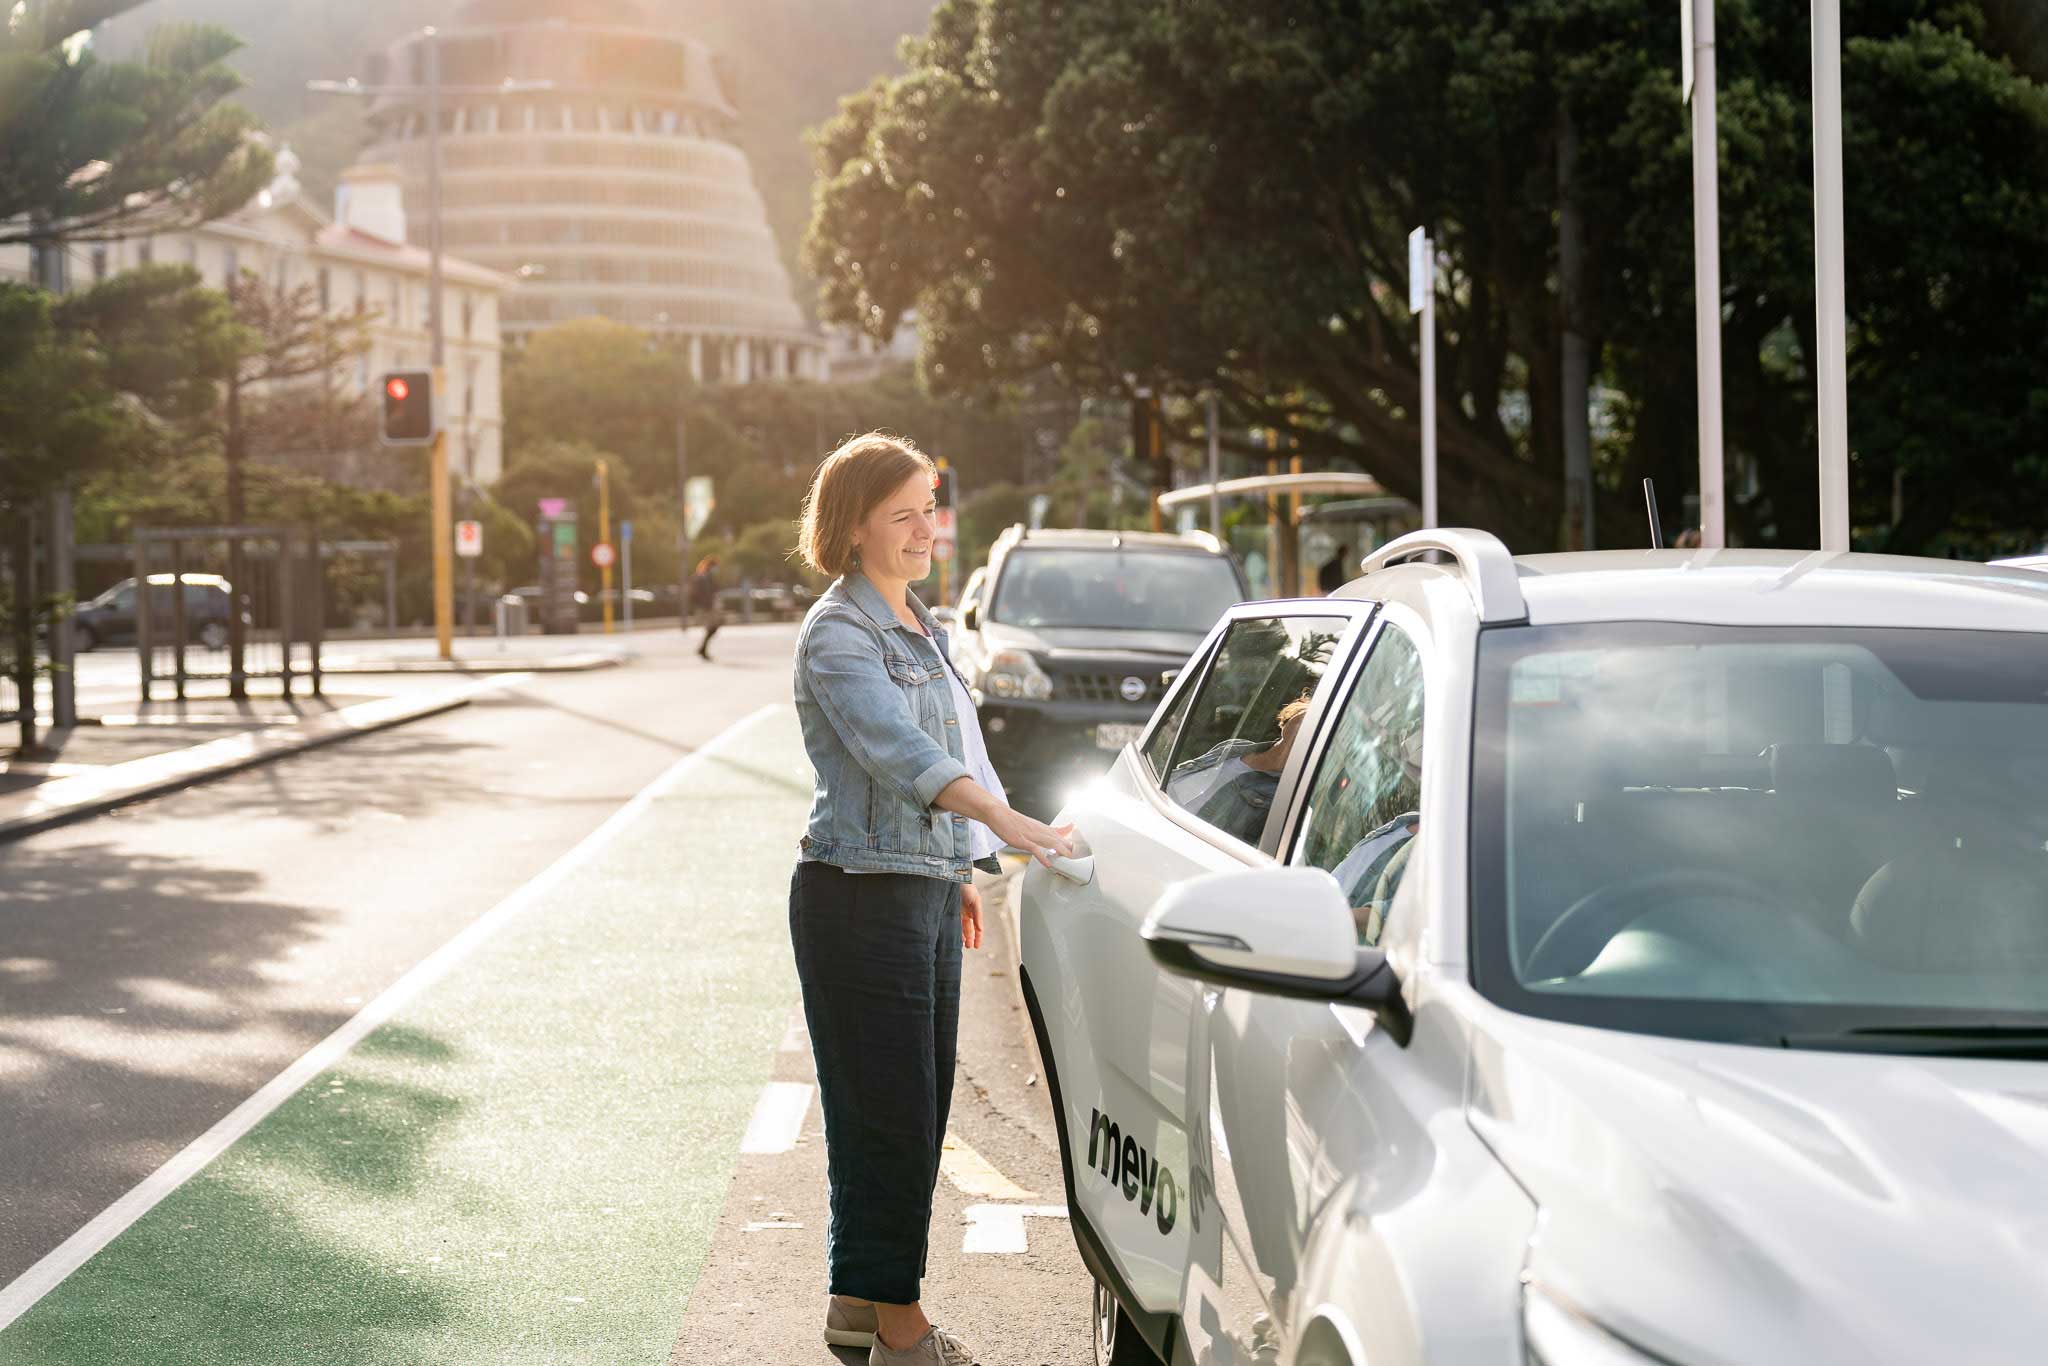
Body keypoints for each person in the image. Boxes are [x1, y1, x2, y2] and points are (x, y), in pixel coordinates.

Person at [789, 432, 1075, 1366]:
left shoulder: (925, 624)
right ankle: (902, 1329)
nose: (926, 529)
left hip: (913, 889)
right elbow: (902, 757)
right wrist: (1009, 819)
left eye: (930, 508)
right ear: (855, 523)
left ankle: (854, 1306)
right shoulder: (840, 634)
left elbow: (962, 754)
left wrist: (963, 862)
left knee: (907, 1107)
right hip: (856, 899)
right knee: (891, 1117)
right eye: (904, 512)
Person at [686, 555, 722, 659]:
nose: (716, 569)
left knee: (713, 627)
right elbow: (698, 593)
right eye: (715, 566)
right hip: (706, 607)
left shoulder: (707, 577)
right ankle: (702, 649)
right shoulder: (702, 577)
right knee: (713, 627)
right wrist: (705, 605)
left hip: (708, 606)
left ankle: (702, 649)